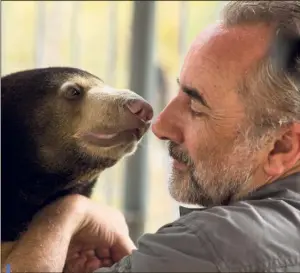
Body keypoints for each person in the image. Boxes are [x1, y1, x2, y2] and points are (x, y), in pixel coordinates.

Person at [3, 1, 300, 272]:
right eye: (179, 92)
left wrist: (67, 213)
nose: (158, 126)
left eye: (197, 106)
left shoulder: (212, 246)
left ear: (282, 146)